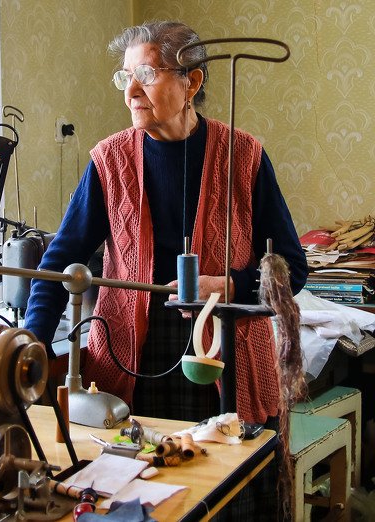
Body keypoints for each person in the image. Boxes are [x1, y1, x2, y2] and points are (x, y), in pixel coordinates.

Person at [24, 20, 307, 428]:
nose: (130, 92)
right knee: (136, 466)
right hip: (132, 360)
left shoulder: (244, 157)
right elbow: (58, 264)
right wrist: (32, 342)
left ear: (191, 82)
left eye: (146, 75)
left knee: (229, 465)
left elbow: (292, 269)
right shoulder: (110, 162)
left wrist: (227, 286)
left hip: (226, 357)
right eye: (125, 77)